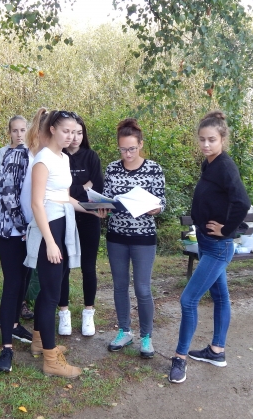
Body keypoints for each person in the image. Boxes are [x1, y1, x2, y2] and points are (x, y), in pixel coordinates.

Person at [168, 110, 251, 384]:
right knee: (220, 297)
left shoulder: (225, 166)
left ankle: (179, 358)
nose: (206, 145)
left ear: (222, 139)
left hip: (218, 246)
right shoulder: (209, 164)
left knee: (188, 299)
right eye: (202, 140)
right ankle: (216, 351)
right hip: (206, 241)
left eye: (211, 140)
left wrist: (226, 229)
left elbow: (242, 202)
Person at [24, 110, 105, 378]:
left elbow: (64, 197)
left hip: (62, 223)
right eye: (66, 131)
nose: (71, 136)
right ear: (52, 130)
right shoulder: (43, 159)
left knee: (53, 287)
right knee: (50, 294)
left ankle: (39, 341)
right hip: (49, 228)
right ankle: (51, 360)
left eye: (74, 131)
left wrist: (90, 210)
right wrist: (49, 242)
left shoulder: (62, 157)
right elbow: (37, 203)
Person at [103, 118, 166, 359]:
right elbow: (107, 199)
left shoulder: (153, 168)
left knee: (142, 288)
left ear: (140, 144)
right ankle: (124, 331)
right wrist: (102, 208)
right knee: (120, 286)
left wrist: (156, 209)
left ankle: (146, 337)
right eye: (122, 149)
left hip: (143, 237)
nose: (127, 154)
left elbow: (162, 202)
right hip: (116, 236)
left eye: (131, 148)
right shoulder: (112, 169)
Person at [0, 115, 33, 373]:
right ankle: (6, 348)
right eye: (15, 131)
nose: (19, 134)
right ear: (9, 133)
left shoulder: (32, 154)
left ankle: (15, 325)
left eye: (23, 130)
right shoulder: (8, 156)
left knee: (25, 278)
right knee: (13, 281)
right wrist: (25, 225)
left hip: (28, 228)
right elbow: (7, 195)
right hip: (10, 228)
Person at [60, 115, 104, 336]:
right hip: (63, 217)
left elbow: (97, 191)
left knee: (89, 266)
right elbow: (59, 192)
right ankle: (64, 313)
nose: (75, 137)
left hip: (89, 218)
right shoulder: (57, 157)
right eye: (70, 132)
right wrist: (82, 187)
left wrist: (74, 189)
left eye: (79, 133)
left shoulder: (91, 157)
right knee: (63, 267)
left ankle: (88, 313)